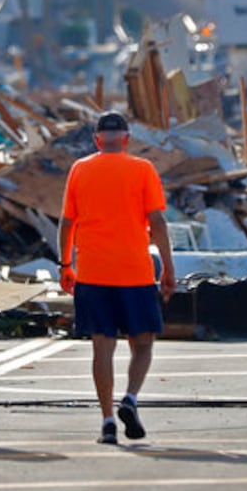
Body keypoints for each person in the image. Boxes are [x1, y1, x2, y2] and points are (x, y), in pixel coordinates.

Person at [57, 111, 176, 444]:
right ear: (126, 139)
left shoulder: (80, 169)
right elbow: (159, 223)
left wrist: (65, 265)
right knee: (144, 343)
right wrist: (168, 266)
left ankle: (108, 420)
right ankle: (131, 398)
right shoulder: (143, 169)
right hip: (135, 271)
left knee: (102, 348)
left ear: (97, 139)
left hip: (94, 272)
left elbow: (67, 223)